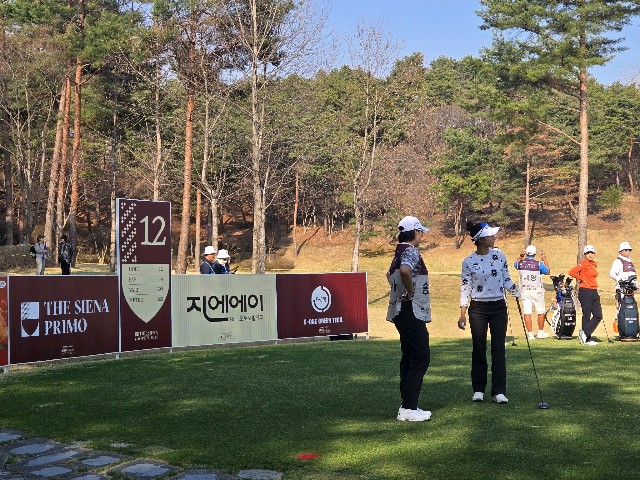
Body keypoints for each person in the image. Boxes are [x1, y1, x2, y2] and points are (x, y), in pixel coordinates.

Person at [458, 222, 519, 404]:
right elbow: (465, 288)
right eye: (491, 235)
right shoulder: (468, 262)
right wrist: (462, 313)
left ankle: (498, 391)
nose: (494, 237)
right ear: (482, 239)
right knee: (479, 348)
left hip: (498, 306)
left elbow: (506, 279)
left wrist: (516, 290)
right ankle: (478, 389)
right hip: (478, 308)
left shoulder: (500, 255)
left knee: (498, 349)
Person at [386, 216, 432, 422]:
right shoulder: (411, 251)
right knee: (421, 356)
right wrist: (410, 292)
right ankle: (408, 407)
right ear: (414, 232)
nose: (421, 235)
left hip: (400, 310)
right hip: (410, 309)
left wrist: (400, 291)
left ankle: (408, 405)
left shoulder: (399, 251)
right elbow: (405, 270)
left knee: (409, 356)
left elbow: (389, 275)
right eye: (420, 231)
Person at [514, 245, 551, 339]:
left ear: (526, 253)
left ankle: (530, 334)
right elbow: (547, 271)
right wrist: (544, 258)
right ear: (534, 254)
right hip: (536, 290)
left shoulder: (521, 263)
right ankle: (540, 332)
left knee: (527, 312)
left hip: (525, 290)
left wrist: (521, 255)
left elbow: (515, 264)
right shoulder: (538, 264)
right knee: (540, 311)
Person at [568, 245, 601, 346]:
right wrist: (581, 278)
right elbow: (571, 272)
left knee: (598, 315)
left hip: (594, 290)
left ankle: (585, 334)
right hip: (585, 291)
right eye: (588, 253)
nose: (590, 255)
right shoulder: (583, 263)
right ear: (585, 254)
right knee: (586, 315)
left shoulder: (594, 264)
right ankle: (586, 338)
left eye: (592, 253)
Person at [609, 241, 636, 307]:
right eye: (626, 250)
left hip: (630, 291)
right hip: (622, 291)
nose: (628, 251)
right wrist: (620, 281)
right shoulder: (618, 261)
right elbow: (612, 273)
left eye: (629, 250)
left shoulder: (629, 261)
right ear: (620, 251)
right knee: (622, 309)